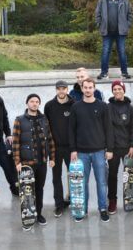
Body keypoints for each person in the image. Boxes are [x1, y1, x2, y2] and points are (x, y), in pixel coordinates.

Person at [69, 78, 114, 223]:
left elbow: (108, 128)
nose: (88, 90)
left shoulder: (103, 106)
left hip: (99, 151)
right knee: (82, 183)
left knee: (101, 182)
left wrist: (109, 148)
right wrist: (73, 150)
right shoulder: (76, 107)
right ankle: (83, 209)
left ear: (94, 89)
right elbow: (71, 130)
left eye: (90, 87)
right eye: (85, 87)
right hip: (81, 152)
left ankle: (102, 209)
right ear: (81, 89)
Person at [12, 94, 56, 230]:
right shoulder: (19, 120)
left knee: (39, 189)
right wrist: (17, 162)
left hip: (42, 162)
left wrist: (52, 158)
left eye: (37, 102)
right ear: (27, 103)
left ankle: (39, 214)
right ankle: (28, 215)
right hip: (26, 164)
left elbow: (50, 139)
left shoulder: (44, 119)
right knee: (27, 191)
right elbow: (15, 142)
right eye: (32, 101)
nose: (34, 104)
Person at [107, 80, 133, 214]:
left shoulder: (132, 109)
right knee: (112, 175)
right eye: (114, 89)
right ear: (112, 91)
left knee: (132, 174)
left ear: (124, 90)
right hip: (113, 149)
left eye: (119, 89)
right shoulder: (108, 108)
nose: (117, 91)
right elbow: (106, 130)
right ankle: (112, 200)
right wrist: (108, 149)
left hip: (128, 148)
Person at [44, 80, 75, 217]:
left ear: (67, 89)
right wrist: (49, 151)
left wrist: (76, 148)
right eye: (59, 89)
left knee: (73, 176)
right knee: (56, 177)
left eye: (64, 89)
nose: (61, 91)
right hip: (55, 149)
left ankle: (74, 201)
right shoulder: (49, 106)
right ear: (56, 90)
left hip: (70, 148)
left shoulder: (74, 104)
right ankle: (59, 204)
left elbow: (77, 127)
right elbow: (46, 128)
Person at [95, 0, 133, 80]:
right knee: (105, 52)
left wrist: (127, 25)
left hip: (121, 32)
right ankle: (104, 73)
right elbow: (97, 14)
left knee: (122, 52)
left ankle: (124, 73)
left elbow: (130, 14)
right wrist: (100, 25)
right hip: (107, 32)